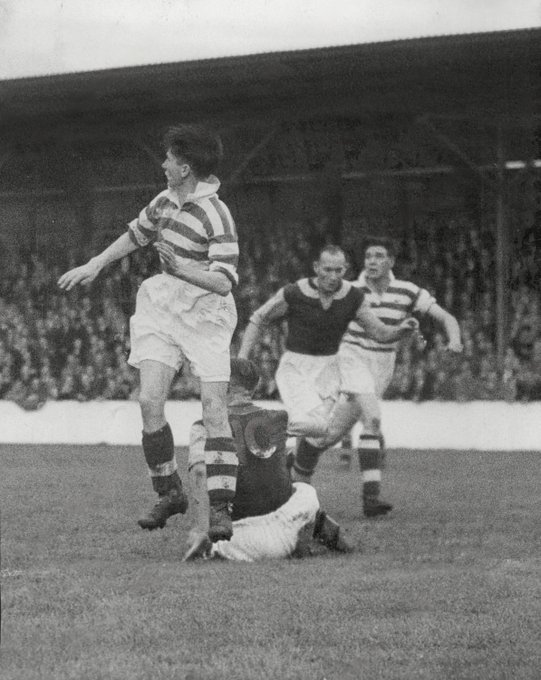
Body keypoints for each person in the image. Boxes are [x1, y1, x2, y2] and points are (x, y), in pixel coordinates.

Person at [58, 124, 239, 541]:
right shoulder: (164, 201)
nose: (163, 164)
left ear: (185, 167)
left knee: (214, 409)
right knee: (148, 400)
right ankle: (170, 491)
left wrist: (182, 269)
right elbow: (135, 235)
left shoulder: (217, 213)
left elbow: (225, 281)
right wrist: (95, 264)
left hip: (206, 310)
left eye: (169, 159)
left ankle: (222, 508)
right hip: (163, 304)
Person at [238, 244, 419, 517]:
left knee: (321, 434)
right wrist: (242, 358)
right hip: (296, 367)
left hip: (329, 371)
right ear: (316, 268)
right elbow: (258, 318)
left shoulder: (353, 297)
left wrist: (401, 330)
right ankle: (261, 434)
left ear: (345, 271)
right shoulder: (295, 292)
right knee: (314, 426)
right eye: (327, 270)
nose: (332, 276)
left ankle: (294, 495)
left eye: (338, 270)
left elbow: (379, 333)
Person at [315, 236, 463, 516]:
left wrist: (454, 340)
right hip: (351, 356)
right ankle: (371, 499)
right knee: (372, 417)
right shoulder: (350, 289)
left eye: (379, 255)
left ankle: (282, 467)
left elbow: (446, 317)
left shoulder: (406, 291)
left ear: (391, 261)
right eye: (368, 256)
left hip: (382, 365)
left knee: (328, 436)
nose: (371, 261)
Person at [184, 358, 352, 562]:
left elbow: (200, 473)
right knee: (305, 490)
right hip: (288, 522)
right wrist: (329, 399)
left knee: (217, 526)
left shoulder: (202, 426)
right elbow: (321, 427)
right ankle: (312, 534)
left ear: (222, 386)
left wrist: (198, 530)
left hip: (242, 538)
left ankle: (211, 547)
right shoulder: (279, 418)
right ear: (253, 389)